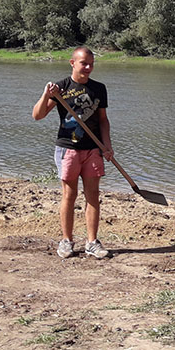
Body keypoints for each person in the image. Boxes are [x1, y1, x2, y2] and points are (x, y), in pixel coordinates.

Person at [31, 45, 113, 260]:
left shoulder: (99, 89)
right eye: (84, 63)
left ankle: (92, 242)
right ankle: (67, 241)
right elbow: (37, 115)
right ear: (72, 63)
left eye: (91, 64)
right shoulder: (61, 88)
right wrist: (45, 94)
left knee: (93, 196)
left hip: (93, 149)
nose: (88, 68)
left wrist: (107, 145)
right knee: (69, 195)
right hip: (68, 148)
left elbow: (103, 121)